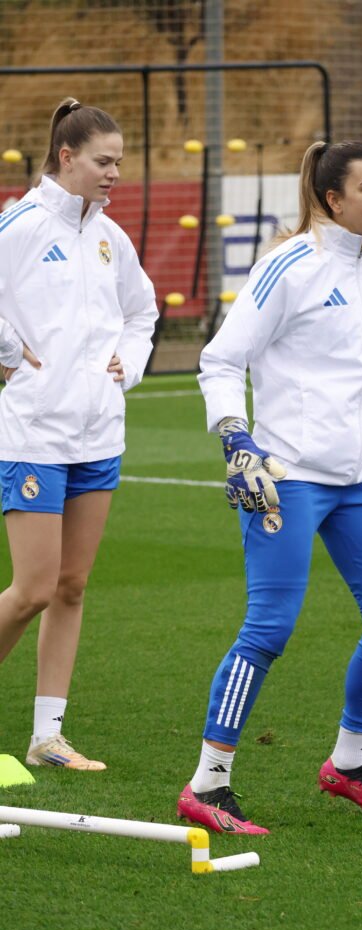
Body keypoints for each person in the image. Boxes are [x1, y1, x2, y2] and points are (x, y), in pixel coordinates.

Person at [178, 140, 362, 834]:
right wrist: (237, 439)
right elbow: (220, 359)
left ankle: (347, 766)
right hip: (285, 476)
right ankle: (208, 784)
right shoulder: (286, 265)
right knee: (268, 629)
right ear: (331, 200)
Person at [0, 97, 157, 767]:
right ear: (67, 158)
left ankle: (47, 737)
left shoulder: (108, 235)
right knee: (32, 588)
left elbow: (142, 313)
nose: (114, 172)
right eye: (103, 160)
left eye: (119, 162)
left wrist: (130, 364)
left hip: (100, 436)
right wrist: (9, 353)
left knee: (71, 586)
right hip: (34, 432)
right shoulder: (23, 222)